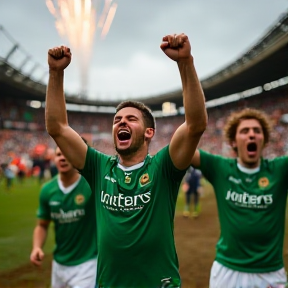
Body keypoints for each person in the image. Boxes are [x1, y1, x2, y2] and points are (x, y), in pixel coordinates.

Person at [45, 33, 207, 287]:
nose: (121, 121)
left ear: (149, 132)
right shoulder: (98, 167)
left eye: (131, 119)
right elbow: (57, 127)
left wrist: (185, 63)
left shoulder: (164, 167)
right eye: (117, 120)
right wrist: (55, 74)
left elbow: (195, 124)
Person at [191, 108, 288, 288]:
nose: (251, 135)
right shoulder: (220, 167)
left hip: (270, 273)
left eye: (257, 131)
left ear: (264, 140)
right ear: (233, 142)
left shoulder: (280, 169)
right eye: (245, 131)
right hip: (227, 272)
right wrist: (195, 122)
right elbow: (185, 149)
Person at [30, 145, 97, 288]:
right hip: (59, 263)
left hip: (87, 263)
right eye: (59, 154)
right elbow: (42, 224)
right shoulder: (47, 190)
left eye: (67, 153)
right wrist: (37, 247)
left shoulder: (91, 185)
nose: (62, 158)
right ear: (54, 158)